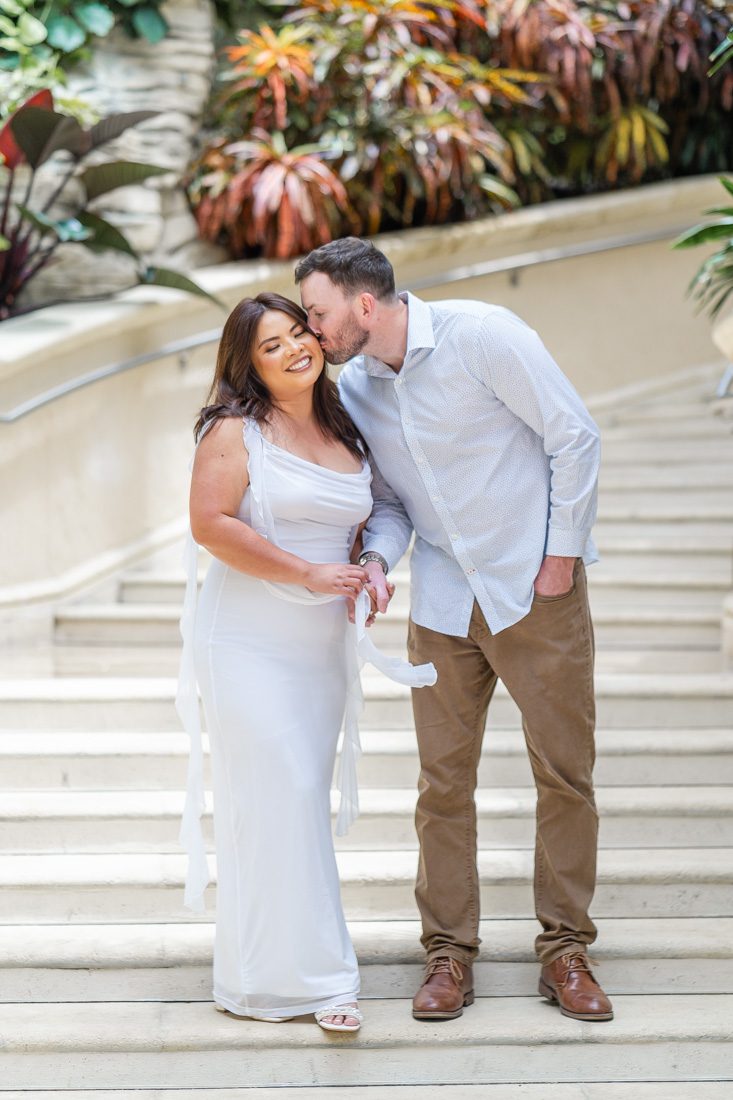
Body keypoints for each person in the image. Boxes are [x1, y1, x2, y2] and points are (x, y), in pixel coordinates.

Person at [295, 237, 614, 1024]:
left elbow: (574, 437)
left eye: (318, 313)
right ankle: (447, 956)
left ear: (363, 305)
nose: (312, 332)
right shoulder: (358, 391)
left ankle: (565, 950)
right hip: (442, 606)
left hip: (534, 589)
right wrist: (375, 558)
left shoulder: (483, 336)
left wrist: (558, 559)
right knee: (442, 786)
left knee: (563, 776)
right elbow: (395, 502)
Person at [175, 292, 435, 1033]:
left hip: (318, 644)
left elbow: (378, 511)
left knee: (294, 799)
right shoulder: (235, 429)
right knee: (280, 790)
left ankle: (264, 967)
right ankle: (319, 979)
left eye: (298, 332)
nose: (294, 349)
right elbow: (209, 524)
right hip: (248, 637)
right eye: (270, 345)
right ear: (247, 365)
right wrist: (305, 572)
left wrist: (372, 566)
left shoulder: (344, 420)